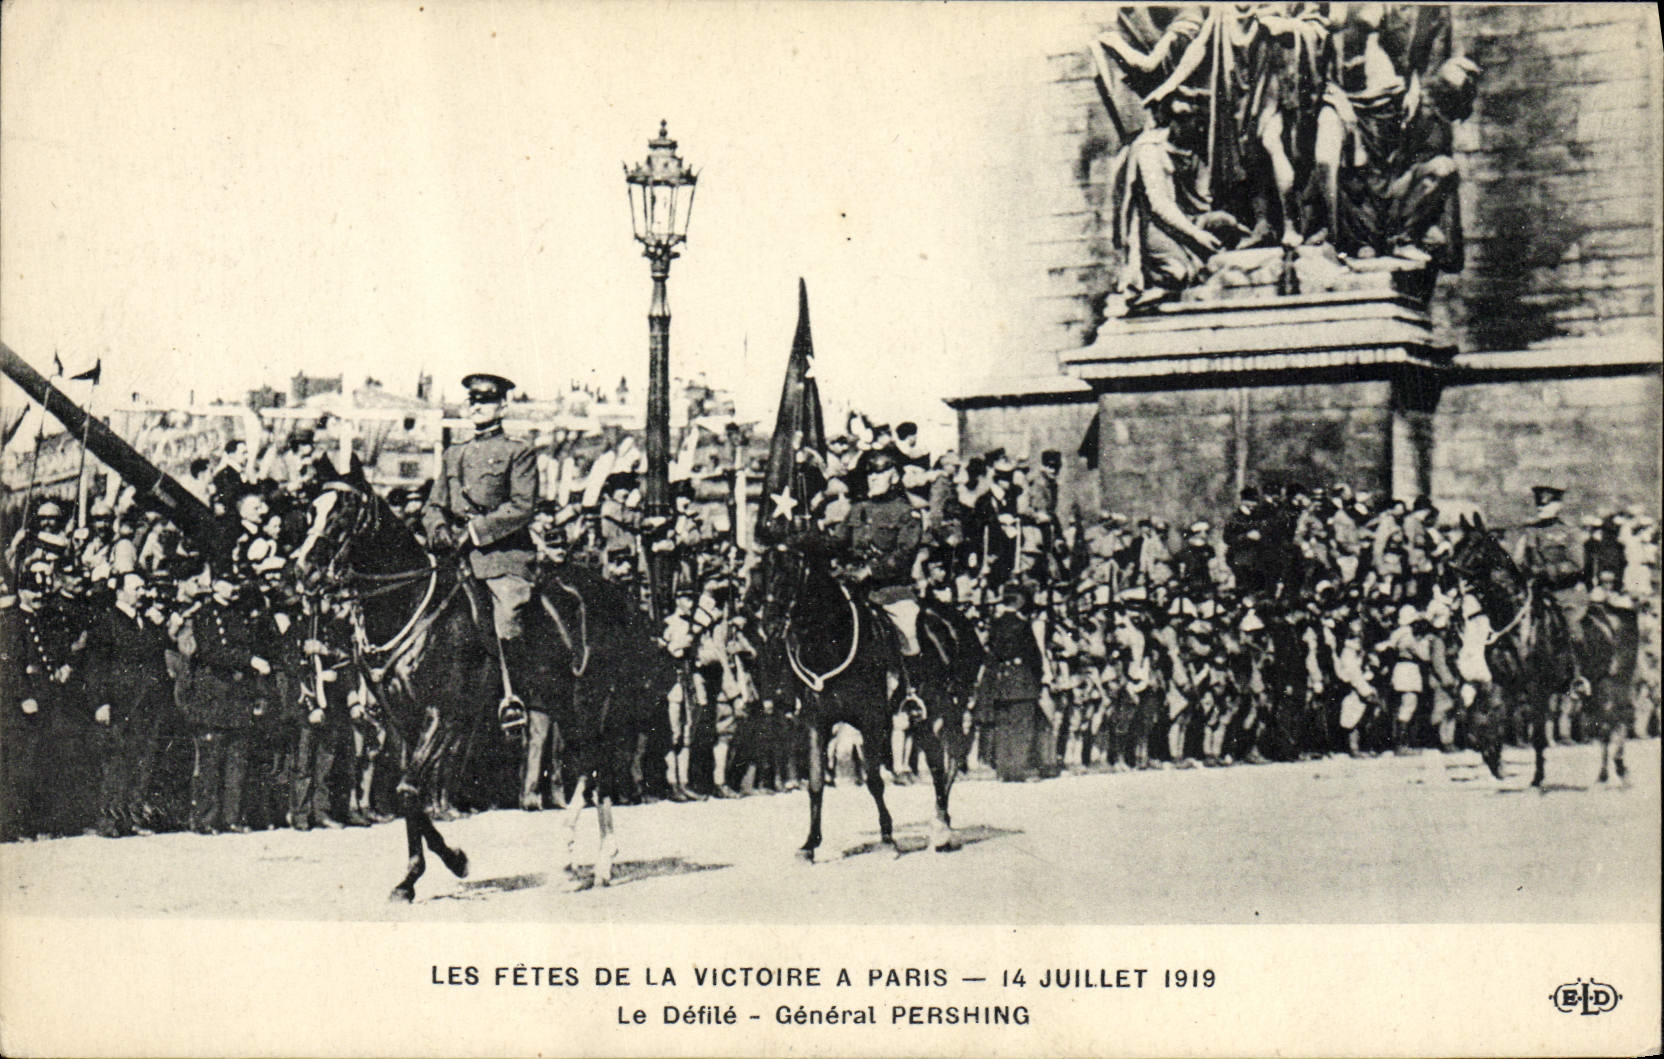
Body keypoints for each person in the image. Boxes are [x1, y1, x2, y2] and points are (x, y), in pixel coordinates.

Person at [421, 373, 539, 698]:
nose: (476, 405)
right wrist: (439, 529)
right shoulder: (453, 454)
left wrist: (473, 532)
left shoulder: (519, 451)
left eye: (485, 399)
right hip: (456, 561)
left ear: (502, 406)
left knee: (507, 622)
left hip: (501, 561)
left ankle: (514, 699)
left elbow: (521, 507)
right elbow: (433, 505)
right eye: (472, 399)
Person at [82, 571, 173, 837]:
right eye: (136, 588)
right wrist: (101, 702)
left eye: (144, 588)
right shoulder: (106, 621)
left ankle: (132, 818)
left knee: (143, 760)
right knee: (117, 761)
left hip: (148, 703)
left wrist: (159, 627)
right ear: (120, 591)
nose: (142, 593)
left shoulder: (147, 621)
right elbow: (96, 665)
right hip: (121, 703)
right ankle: (109, 820)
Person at [977, 583, 1047, 782]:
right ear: (1019, 601)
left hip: (1000, 680)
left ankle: (1003, 769)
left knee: (1004, 726)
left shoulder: (995, 624)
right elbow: (1033, 655)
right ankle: (1017, 768)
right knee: (1021, 726)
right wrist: (1038, 677)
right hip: (1021, 679)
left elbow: (991, 653)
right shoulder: (1022, 625)